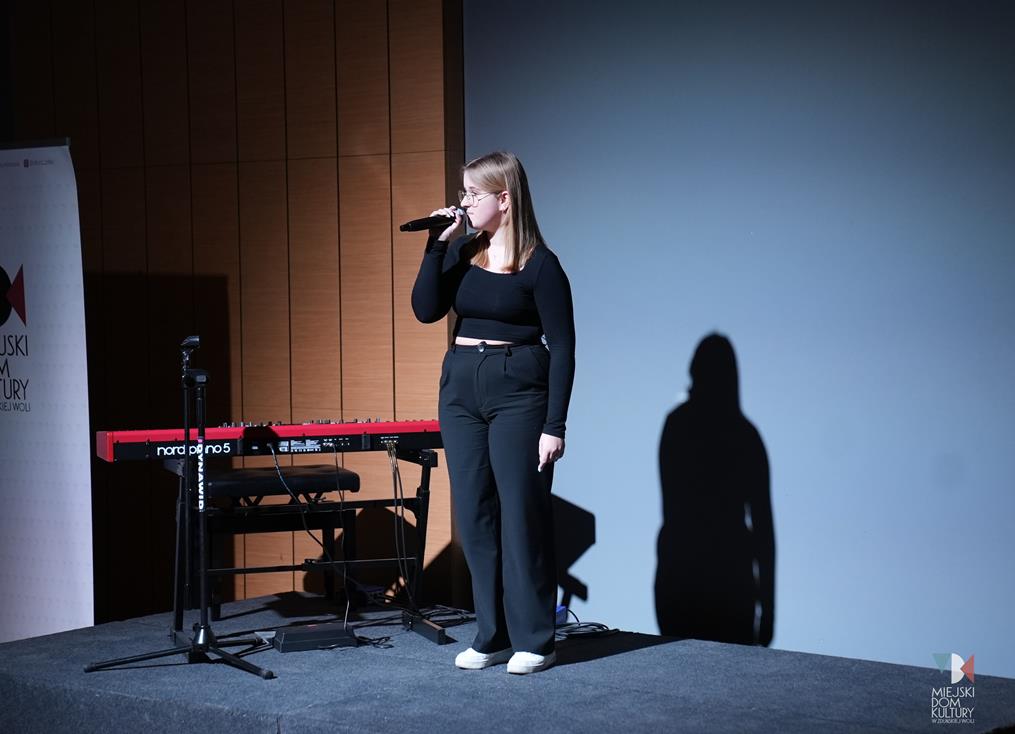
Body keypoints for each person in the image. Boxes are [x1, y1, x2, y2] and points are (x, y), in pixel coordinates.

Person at [411, 151, 576, 674]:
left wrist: (554, 425)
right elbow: (425, 309)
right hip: (461, 387)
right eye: (462, 193)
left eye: (472, 194)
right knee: (475, 513)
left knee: (521, 513)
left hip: (518, 390)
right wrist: (436, 244)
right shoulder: (463, 252)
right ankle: (493, 634)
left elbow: (564, 348)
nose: (463, 202)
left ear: (504, 199)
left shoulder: (541, 265)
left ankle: (536, 640)